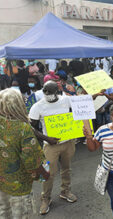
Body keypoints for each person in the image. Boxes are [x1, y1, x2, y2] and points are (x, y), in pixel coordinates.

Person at [0, 88, 49, 218]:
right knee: (19, 214)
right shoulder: (22, 128)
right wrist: (45, 174)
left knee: (4, 212)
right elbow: (31, 161)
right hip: (19, 185)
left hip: (2, 181)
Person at [29, 81, 77, 215]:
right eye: (46, 92)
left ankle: (65, 191)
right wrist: (46, 138)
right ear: (43, 92)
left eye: (51, 92)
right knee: (49, 173)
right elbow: (31, 127)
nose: (48, 95)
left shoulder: (66, 100)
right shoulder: (37, 106)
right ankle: (46, 198)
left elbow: (80, 109)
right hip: (50, 145)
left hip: (68, 142)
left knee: (67, 169)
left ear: (58, 90)